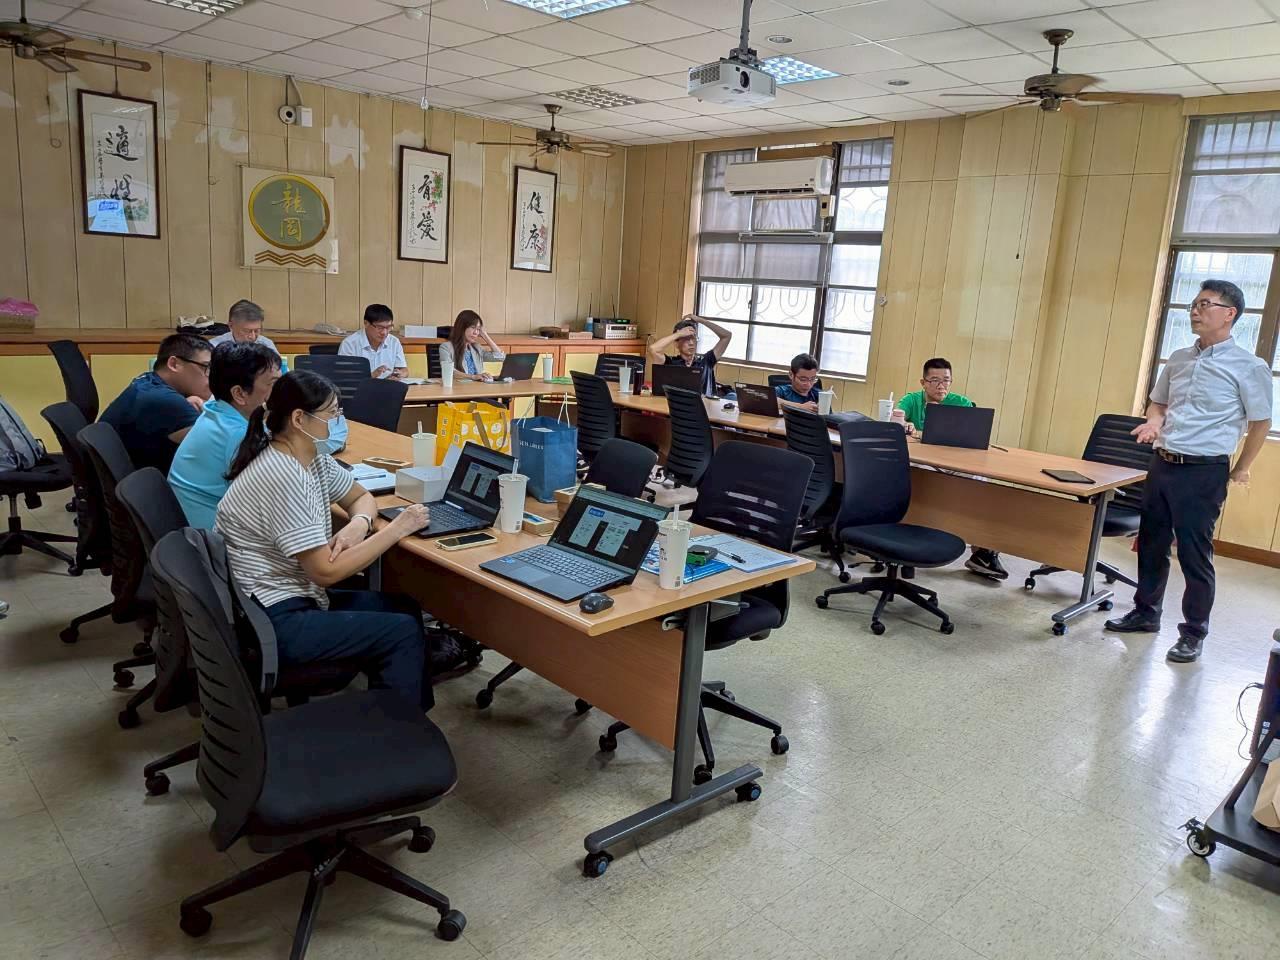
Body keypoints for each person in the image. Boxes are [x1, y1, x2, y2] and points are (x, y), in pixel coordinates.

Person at [217, 370, 435, 710]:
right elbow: (325, 572)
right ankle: (396, 725)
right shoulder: (283, 477)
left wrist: (359, 524)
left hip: (295, 594)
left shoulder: (309, 458)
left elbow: (361, 497)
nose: (338, 421)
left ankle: (405, 713)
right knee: (401, 631)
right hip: (271, 619)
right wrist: (396, 529)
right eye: (332, 413)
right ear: (299, 419)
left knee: (403, 607)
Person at [1105, 279, 1272, 663]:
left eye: (1205, 304)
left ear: (1229, 314)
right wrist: (1154, 422)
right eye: (1194, 304)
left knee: (1194, 554)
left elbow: (1261, 422)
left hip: (1204, 471)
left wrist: (1242, 468)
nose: (1195, 311)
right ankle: (1146, 613)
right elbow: (1158, 403)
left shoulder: (1249, 367)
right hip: (1163, 463)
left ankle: (1193, 633)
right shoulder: (1179, 358)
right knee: (1151, 544)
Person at [896, 357, 1007, 581]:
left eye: (946, 380)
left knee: (980, 481)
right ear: (923, 382)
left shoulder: (961, 402)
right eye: (934, 380)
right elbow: (896, 416)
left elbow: (974, 432)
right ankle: (907, 540)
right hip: (924, 461)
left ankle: (982, 552)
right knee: (917, 473)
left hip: (953, 463)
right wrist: (904, 423)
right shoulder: (912, 399)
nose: (941, 386)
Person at [168, 341, 281, 529]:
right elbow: (272, 501)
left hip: (192, 523)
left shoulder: (217, 408)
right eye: (274, 384)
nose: (282, 391)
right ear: (239, 394)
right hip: (212, 536)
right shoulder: (238, 435)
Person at [101, 333, 211, 474]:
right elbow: (220, 444)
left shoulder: (148, 382)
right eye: (206, 367)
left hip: (133, 477)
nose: (212, 375)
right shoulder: (165, 401)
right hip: (148, 483)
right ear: (174, 364)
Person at [647, 314, 733, 398]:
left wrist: (700, 320)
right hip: (678, 405)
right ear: (676, 344)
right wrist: (678, 334)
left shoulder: (706, 361)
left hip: (705, 406)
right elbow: (653, 349)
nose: (691, 343)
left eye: (693, 338)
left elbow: (727, 336)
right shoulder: (670, 362)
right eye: (686, 338)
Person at [208, 299, 286, 371]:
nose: (252, 336)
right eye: (247, 331)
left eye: (257, 330)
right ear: (231, 326)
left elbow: (279, 372)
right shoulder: (214, 347)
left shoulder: (266, 345)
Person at [339, 304, 408, 380]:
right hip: (361, 387)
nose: (384, 332)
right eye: (380, 327)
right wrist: (372, 375)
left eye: (388, 327)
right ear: (366, 323)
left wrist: (399, 374)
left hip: (387, 386)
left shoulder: (394, 342)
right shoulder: (349, 344)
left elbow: (404, 370)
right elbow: (344, 376)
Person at [439, 309, 505, 383]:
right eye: (473, 327)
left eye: (478, 329)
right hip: (459, 387)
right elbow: (449, 371)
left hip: (478, 386)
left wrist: (485, 335)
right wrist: (473, 377)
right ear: (462, 327)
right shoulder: (446, 347)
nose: (476, 332)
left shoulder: (477, 348)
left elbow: (500, 357)